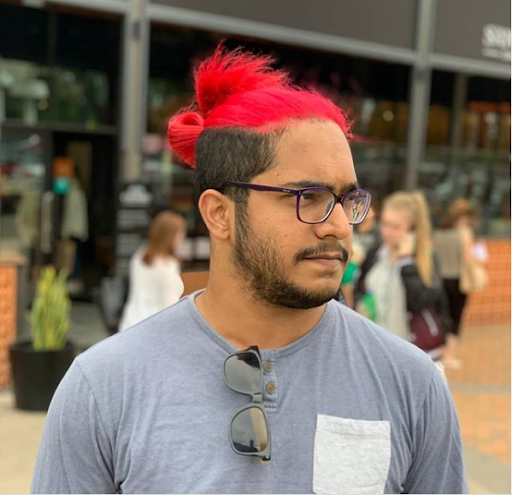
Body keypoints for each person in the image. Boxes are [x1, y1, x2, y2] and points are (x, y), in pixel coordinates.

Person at [32, 47, 466, 494]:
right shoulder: (105, 386)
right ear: (219, 214)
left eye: (346, 200)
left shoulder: (412, 383)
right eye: (308, 197)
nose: (338, 225)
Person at [355, 191, 451, 361]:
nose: (387, 232)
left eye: (395, 227)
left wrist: (406, 263)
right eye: (384, 224)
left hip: (413, 353)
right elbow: (360, 287)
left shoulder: (424, 259)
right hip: (376, 348)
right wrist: (361, 303)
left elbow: (421, 301)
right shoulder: (376, 253)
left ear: (412, 229)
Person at [433, 198, 485, 369]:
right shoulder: (464, 233)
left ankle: (438, 353)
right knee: (455, 318)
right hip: (456, 280)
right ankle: (449, 357)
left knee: (440, 317)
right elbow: (468, 257)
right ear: (464, 217)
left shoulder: (438, 233)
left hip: (438, 279)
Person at [118, 210, 187, 332]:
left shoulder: (140, 256)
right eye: (180, 234)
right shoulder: (167, 267)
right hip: (155, 329)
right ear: (170, 236)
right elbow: (170, 305)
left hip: (131, 323)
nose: (182, 239)